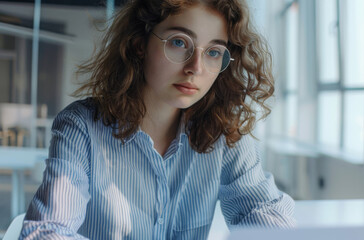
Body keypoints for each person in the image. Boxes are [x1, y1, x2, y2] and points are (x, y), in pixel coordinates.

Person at [19, 0, 296, 239]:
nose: (195, 68)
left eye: (213, 52)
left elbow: (262, 213)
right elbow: (47, 230)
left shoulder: (224, 131)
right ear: (139, 44)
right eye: (179, 42)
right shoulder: (82, 126)